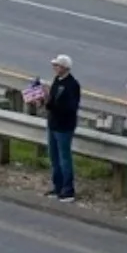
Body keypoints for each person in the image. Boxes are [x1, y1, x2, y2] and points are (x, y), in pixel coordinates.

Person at [44, 54, 81, 201]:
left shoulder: (72, 85)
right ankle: (57, 186)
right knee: (54, 157)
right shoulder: (56, 81)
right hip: (53, 124)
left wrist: (53, 103)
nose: (54, 68)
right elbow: (51, 103)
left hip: (64, 126)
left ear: (65, 68)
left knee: (64, 158)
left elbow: (71, 107)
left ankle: (68, 189)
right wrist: (46, 100)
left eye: (57, 65)